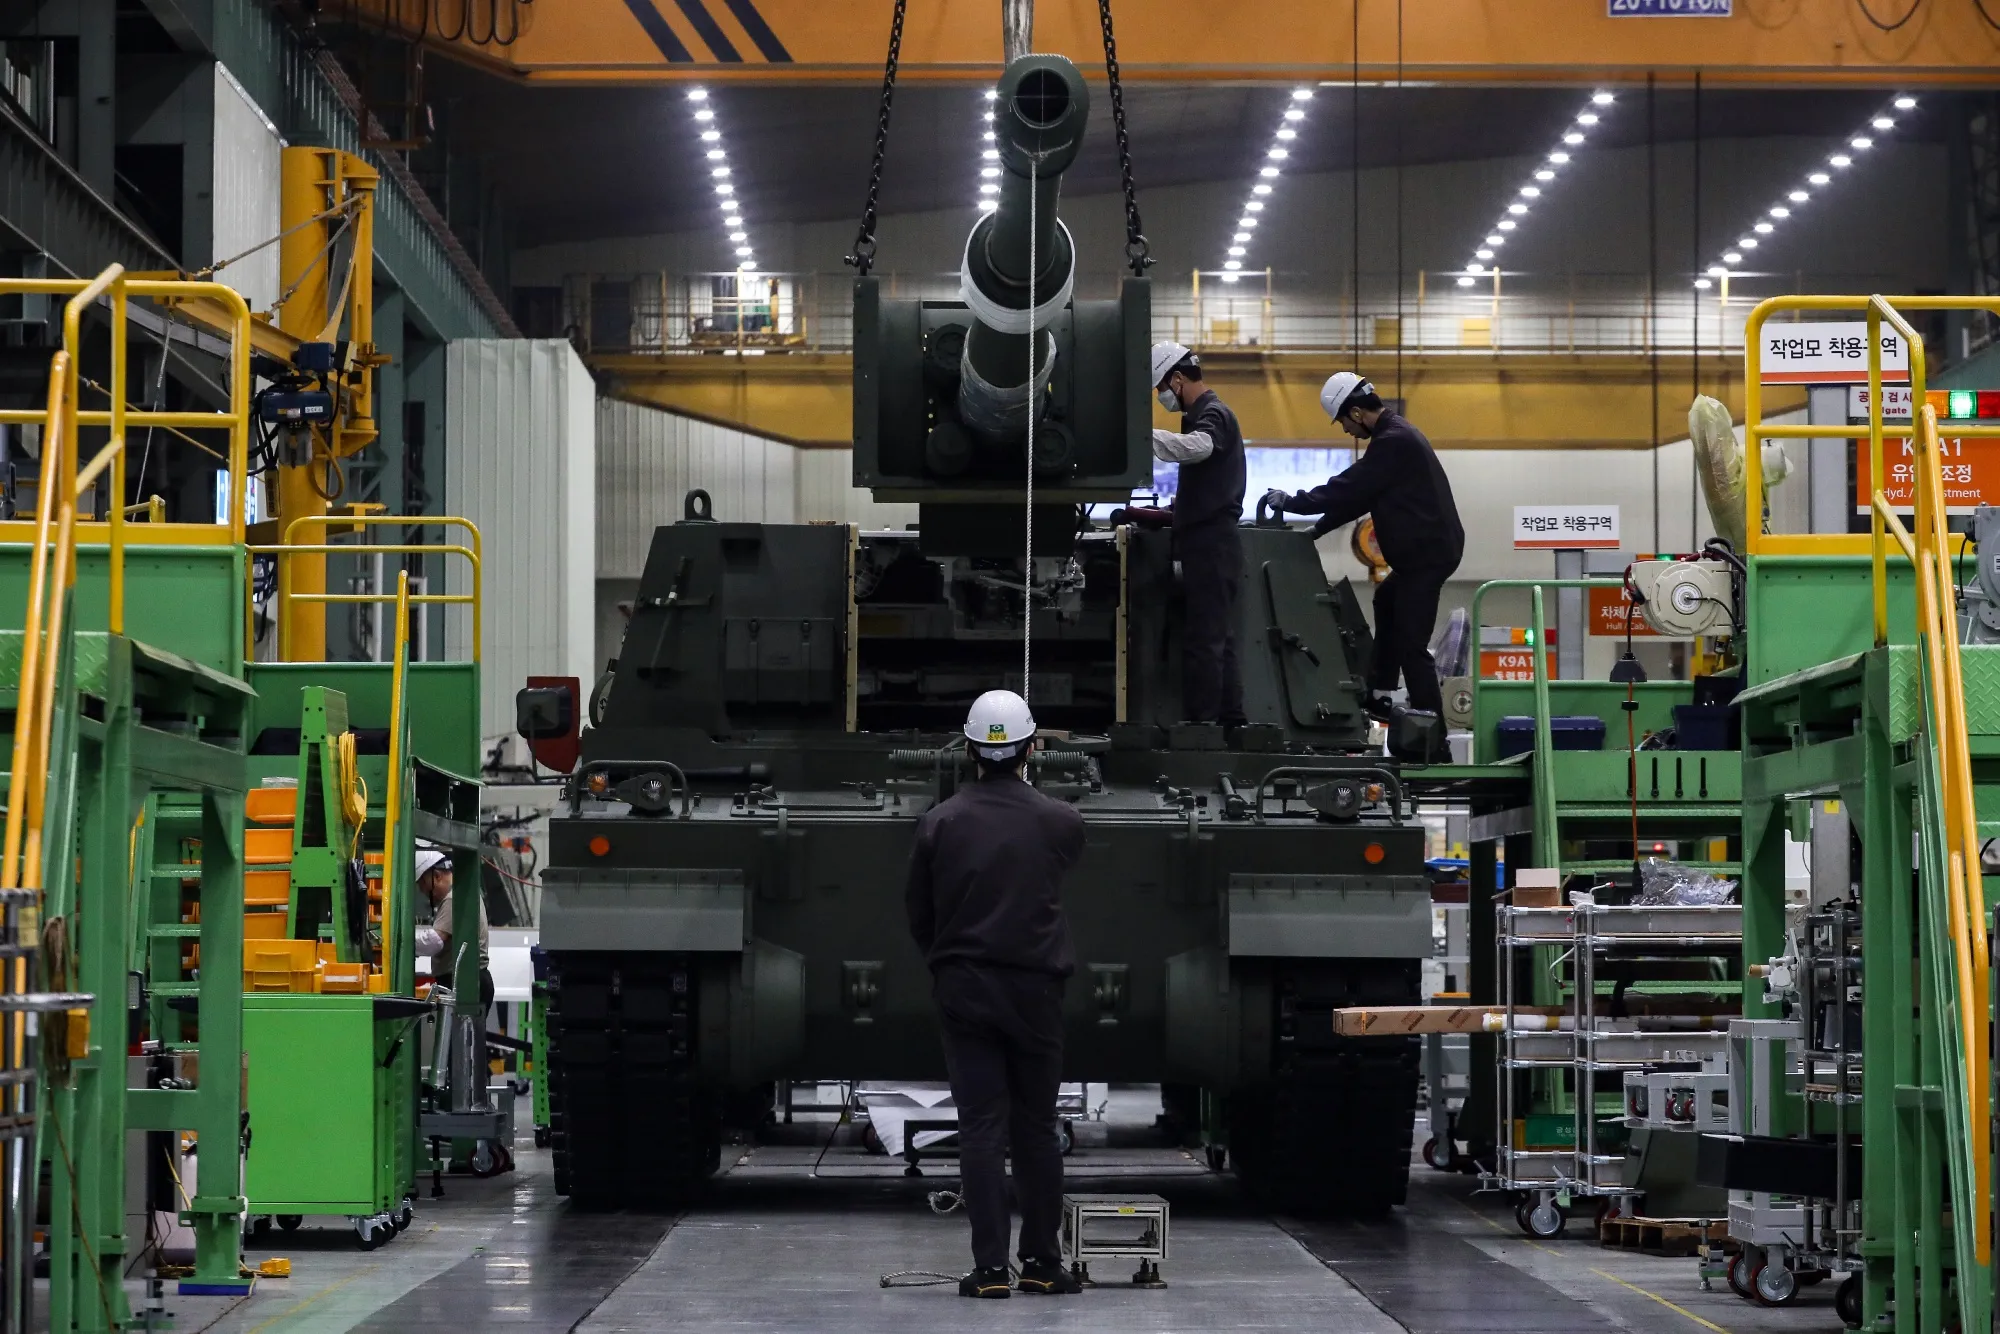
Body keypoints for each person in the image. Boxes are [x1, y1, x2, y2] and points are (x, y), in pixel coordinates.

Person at [904, 690, 1086, 1299]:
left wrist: (948, 962)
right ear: (1031, 747)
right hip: (1036, 991)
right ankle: (1040, 1263)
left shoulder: (940, 821)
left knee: (981, 1126)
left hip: (966, 988)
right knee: (1036, 1127)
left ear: (971, 748)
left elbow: (919, 913)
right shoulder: (1062, 821)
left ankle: (988, 1271)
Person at [1265, 374, 1465, 720]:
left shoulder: (1393, 441)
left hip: (1427, 559)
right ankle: (1379, 693)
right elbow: (1363, 496)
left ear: (1356, 413)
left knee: (1411, 646)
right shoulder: (1394, 437)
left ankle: (1433, 739)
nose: (1344, 430)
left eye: (1342, 421)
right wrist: (1317, 529)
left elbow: (1347, 487)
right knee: (1386, 599)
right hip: (1421, 557)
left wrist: (1293, 502)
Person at [1148, 341, 1247, 726]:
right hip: (1207, 540)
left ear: (1177, 378)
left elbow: (1200, 447)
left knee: (1205, 641)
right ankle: (1231, 720)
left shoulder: (1213, 413)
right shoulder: (1200, 414)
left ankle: (1203, 727)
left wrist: (1147, 438)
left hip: (1211, 543)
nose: (1161, 397)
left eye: (1161, 388)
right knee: (1218, 640)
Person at [413, 844, 493, 1011]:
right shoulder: (463, 893)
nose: (422, 892)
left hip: (466, 983)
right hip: (472, 980)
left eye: (423, 885)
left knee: (456, 1036)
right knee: (465, 1036)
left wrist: (403, 943)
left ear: (437, 876)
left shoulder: (453, 898)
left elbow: (434, 941)